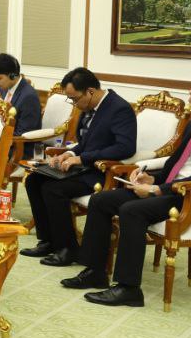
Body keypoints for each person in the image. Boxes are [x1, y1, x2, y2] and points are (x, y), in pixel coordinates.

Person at [63, 70, 191, 306]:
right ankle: (95, 271)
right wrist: (151, 179)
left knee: (132, 210)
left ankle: (128, 288)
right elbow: (175, 164)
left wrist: (157, 190)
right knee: (102, 200)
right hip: (170, 189)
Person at [23, 68, 137, 266]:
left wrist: (83, 158)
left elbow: (125, 147)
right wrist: (69, 153)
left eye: (75, 99)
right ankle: (48, 241)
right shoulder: (89, 107)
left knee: (53, 189)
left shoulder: (119, 108)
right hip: (84, 167)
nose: (74, 104)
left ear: (90, 91)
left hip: (101, 173)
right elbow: (86, 142)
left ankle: (68, 249)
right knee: (34, 179)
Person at [0, 53, 42, 135]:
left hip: (16, 141)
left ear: (12, 76)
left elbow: (24, 133)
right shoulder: (2, 89)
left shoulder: (29, 97)